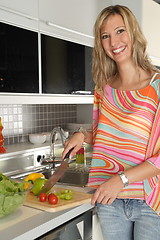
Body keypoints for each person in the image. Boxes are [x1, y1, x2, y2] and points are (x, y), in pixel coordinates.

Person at [62, 5, 160, 240]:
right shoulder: (102, 89)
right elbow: (106, 134)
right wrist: (82, 135)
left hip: (149, 200)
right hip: (109, 198)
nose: (113, 41)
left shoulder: (156, 87)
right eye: (105, 36)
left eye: (119, 31)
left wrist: (122, 179)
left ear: (133, 33)